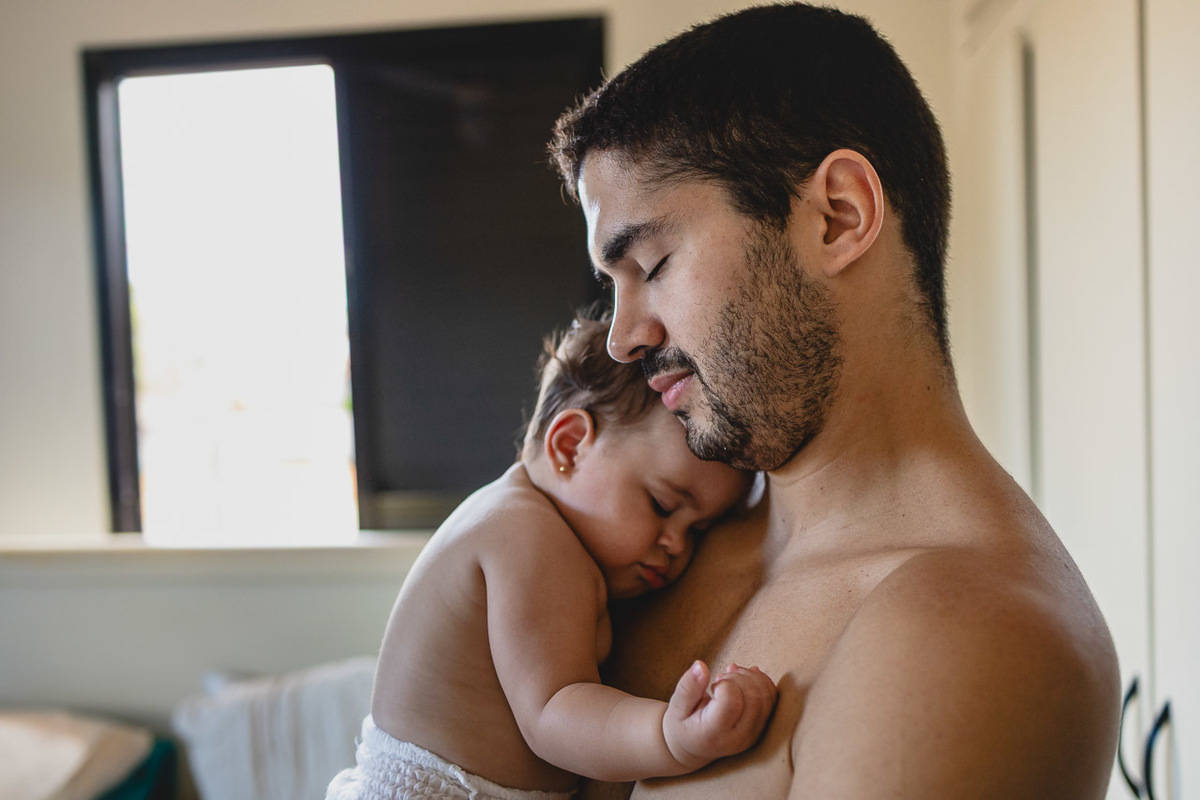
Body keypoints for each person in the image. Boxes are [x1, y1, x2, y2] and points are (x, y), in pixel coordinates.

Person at [548, 4, 1121, 799]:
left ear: (838, 217)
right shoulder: (666, 537)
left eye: (652, 264)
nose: (622, 339)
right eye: (613, 286)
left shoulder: (969, 634)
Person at [325, 308, 776, 800]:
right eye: (662, 505)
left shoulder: (521, 518)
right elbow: (555, 712)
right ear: (570, 446)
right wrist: (671, 736)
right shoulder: (527, 534)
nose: (677, 545)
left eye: (699, 530)